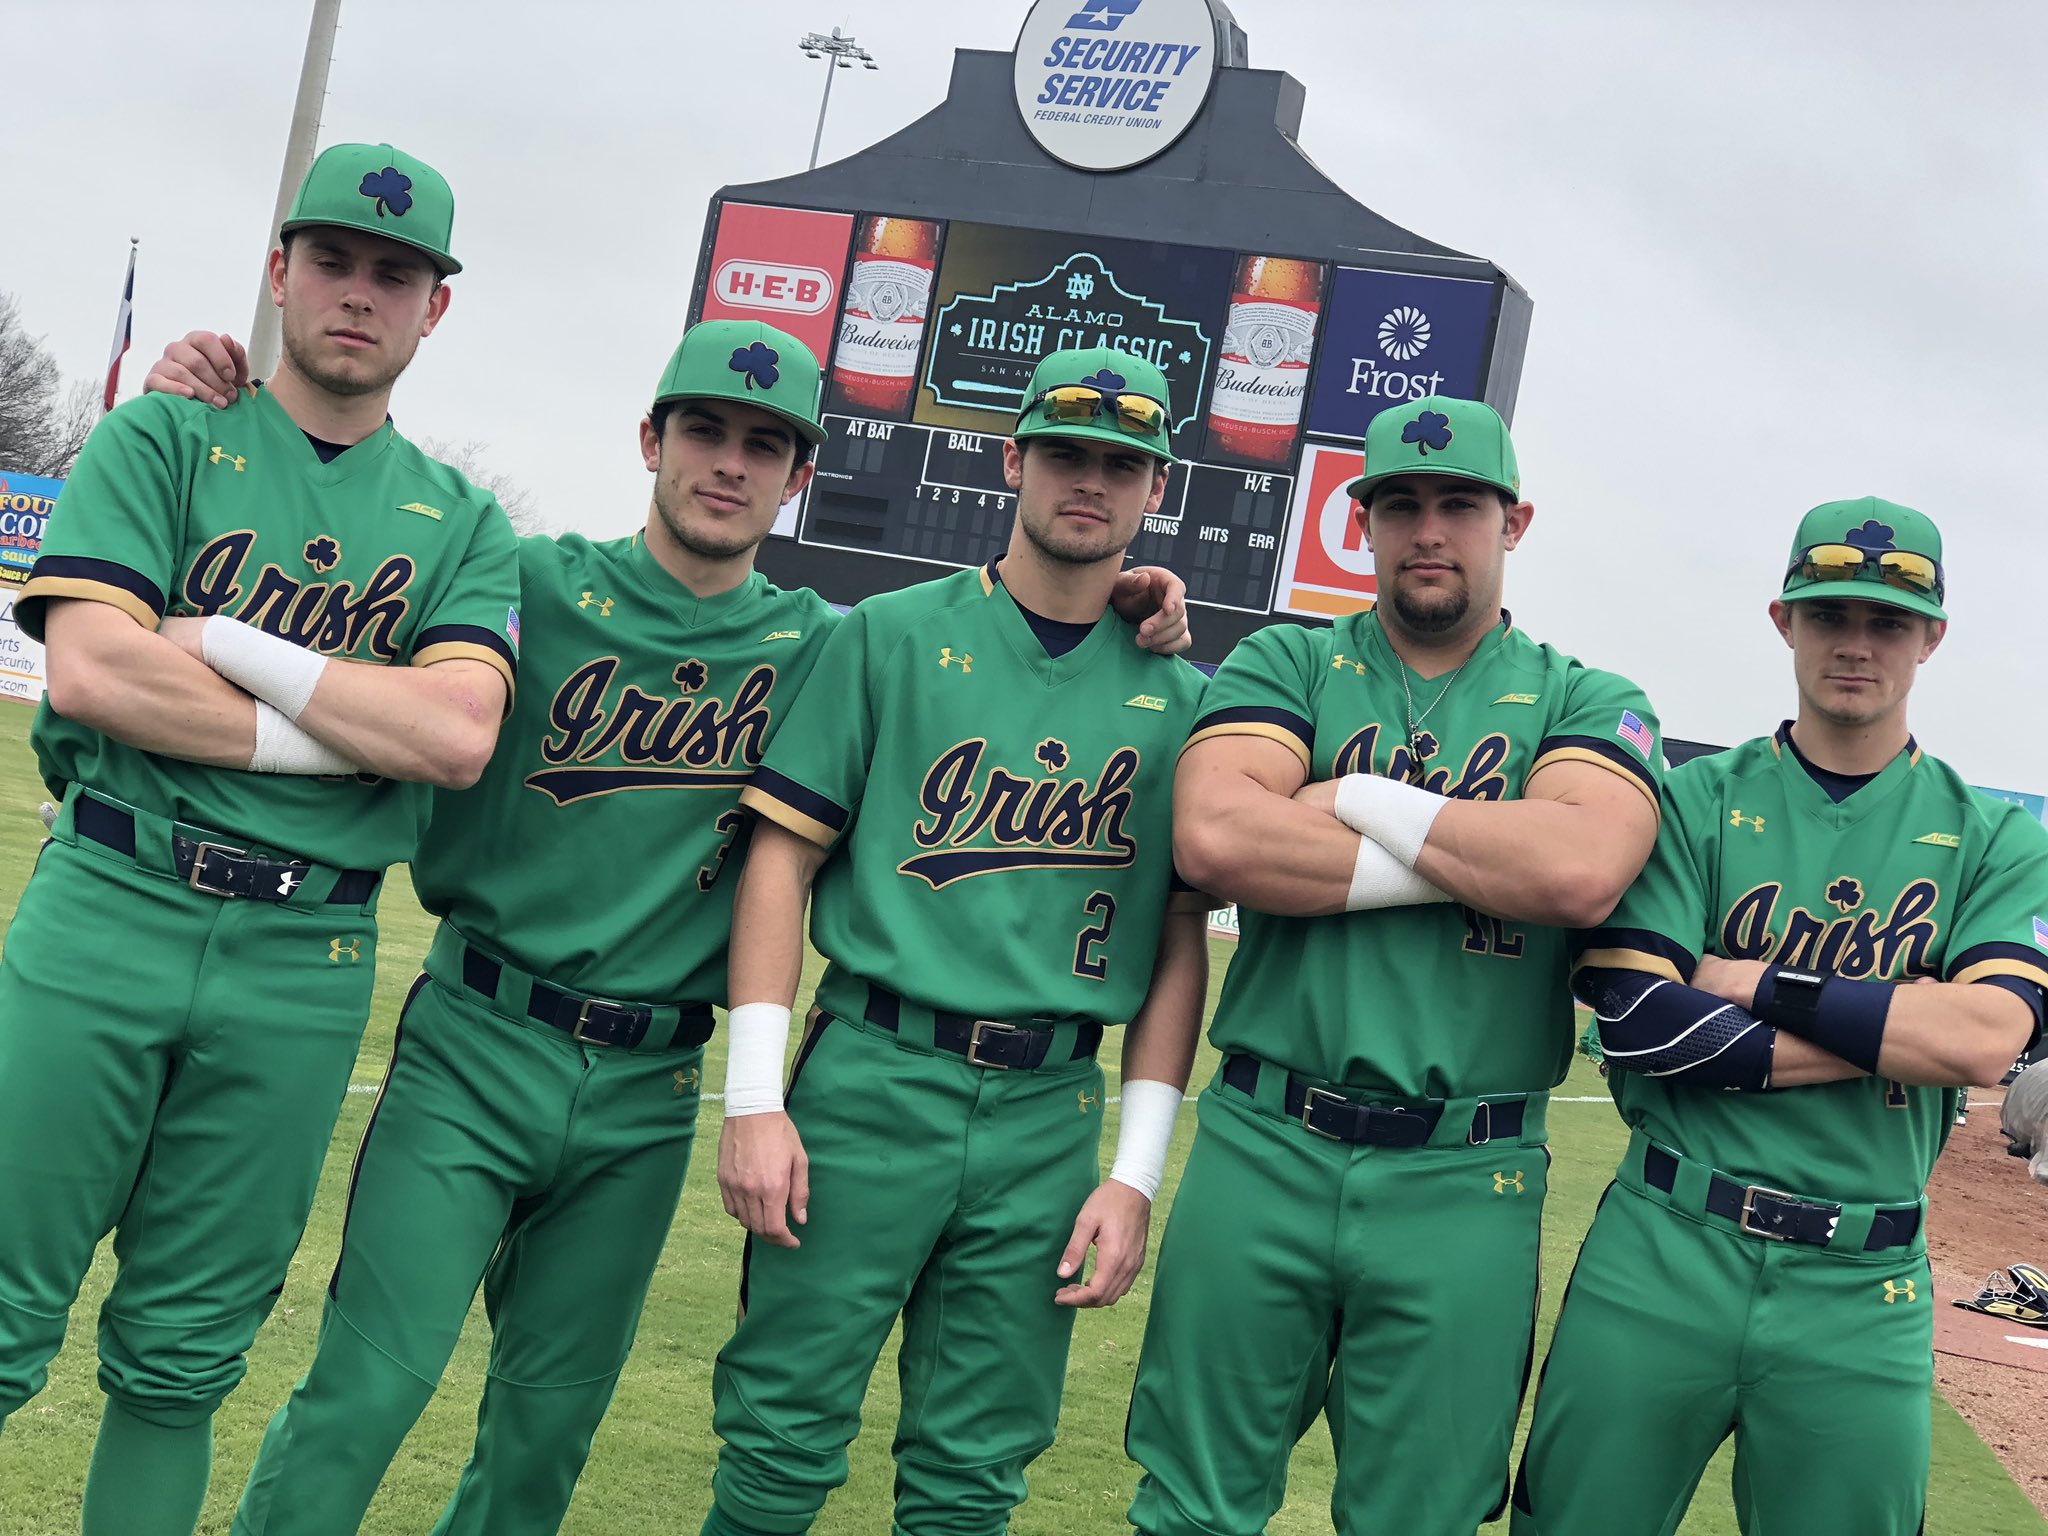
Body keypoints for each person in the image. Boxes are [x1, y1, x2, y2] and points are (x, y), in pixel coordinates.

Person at [139, 324, 1194, 1534]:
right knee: (368, 1388)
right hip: (477, 1032)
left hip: (647, 1079)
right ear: (651, 439)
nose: (729, 464)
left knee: (544, 1431)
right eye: (704, 430)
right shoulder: (524, 581)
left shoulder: (820, 641)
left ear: (799, 475)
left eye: (764, 444)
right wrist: (233, 419)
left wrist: (1136, 598)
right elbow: (355, 547)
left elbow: (1027, 645)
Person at [0, 143, 519, 1536]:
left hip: (305, 950)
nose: (361, 293)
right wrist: (354, 721)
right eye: (334, 261)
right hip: (109, 895)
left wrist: (218, 639)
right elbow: (99, 675)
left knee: (180, 1360)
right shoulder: (164, 436)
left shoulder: (461, 520)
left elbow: (459, 737)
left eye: (395, 275)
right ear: (280, 273)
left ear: (434, 310)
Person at [1125, 395, 1666, 1535]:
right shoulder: (1291, 656)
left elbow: (1575, 876)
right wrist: (1487, 845)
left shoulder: (1583, 697)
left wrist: (1352, 798)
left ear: (1510, 523)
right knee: (1188, 1509)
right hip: (1262, 1141)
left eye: (1457, 505)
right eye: (1399, 506)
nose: (1429, 530)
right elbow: (1216, 838)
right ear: (1357, 520)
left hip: (1462, 1174)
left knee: (1413, 1519)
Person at [702, 346, 1212, 1536]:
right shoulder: (883, 634)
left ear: (1155, 490)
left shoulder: (1186, 702)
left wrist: (1132, 1176)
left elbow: (1180, 945)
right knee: (778, 1438)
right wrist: (752, 1099)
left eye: (1120, 465)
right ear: (1011, 458)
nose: (1089, 483)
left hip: (1048, 1107)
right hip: (872, 1073)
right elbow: (781, 857)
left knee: (974, 1472)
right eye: (1065, 455)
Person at [1511, 497, 2048, 1536]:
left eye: (1887, 621)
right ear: (1780, 619)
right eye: (1828, 614)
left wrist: (1751, 981)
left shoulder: (1990, 836)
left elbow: (1985, 1039)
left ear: (1930, 637)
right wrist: (1897, 1037)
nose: (1854, 643)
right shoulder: (1691, 802)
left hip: (1861, 1286)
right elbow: (1641, 1026)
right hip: (1664, 1247)